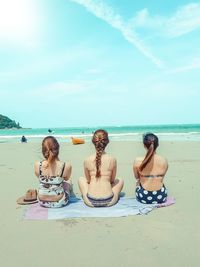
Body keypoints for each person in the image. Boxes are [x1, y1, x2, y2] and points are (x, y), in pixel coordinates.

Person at [78, 129, 124, 207]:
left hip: (91, 201)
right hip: (109, 200)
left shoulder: (87, 160)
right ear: (107, 142)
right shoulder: (112, 159)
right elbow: (112, 180)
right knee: (120, 180)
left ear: (93, 142)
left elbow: (88, 180)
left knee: (81, 179)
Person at [34, 136, 72, 208]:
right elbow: (66, 179)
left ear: (43, 151)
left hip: (42, 201)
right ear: (58, 149)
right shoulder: (65, 166)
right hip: (60, 202)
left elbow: (38, 176)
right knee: (68, 182)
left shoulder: (37, 165)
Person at [133, 133, 168, 204]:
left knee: (138, 182)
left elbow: (137, 177)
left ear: (144, 145)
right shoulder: (164, 160)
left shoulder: (137, 161)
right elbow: (162, 178)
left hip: (143, 196)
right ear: (158, 145)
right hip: (161, 196)